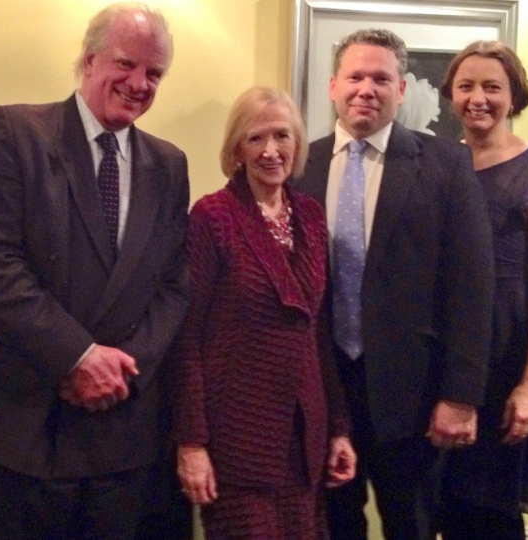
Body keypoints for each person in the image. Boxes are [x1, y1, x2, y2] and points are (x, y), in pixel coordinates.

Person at [0, 3, 190, 539]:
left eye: (154, 74)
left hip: (122, 436)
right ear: (88, 60)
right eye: (126, 64)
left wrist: (119, 373)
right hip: (27, 429)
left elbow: (174, 286)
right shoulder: (18, 132)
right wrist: (77, 357)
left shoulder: (169, 164)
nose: (138, 83)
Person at [294, 28, 495, 540]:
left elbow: (473, 287)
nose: (367, 88)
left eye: (381, 78)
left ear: (401, 89)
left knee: (413, 525)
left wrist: (461, 396)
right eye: (355, 76)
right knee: (333, 525)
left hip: (414, 396)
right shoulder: (299, 166)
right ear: (334, 85)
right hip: (324, 389)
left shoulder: (446, 165)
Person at [173, 86, 356, 540]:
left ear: (297, 144)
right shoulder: (212, 216)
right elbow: (187, 338)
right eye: (256, 139)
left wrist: (338, 429)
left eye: (282, 136)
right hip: (238, 435)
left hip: (304, 435)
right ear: (237, 148)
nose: (271, 151)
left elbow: (317, 333)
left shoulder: (310, 215)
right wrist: (191, 443)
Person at [436, 40, 528, 540]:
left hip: (508, 361)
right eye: (466, 86)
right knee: (440, 507)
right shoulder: (438, 163)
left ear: (514, 95)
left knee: (491, 514)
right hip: (444, 361)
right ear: (451, 95)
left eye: (492, 87)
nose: (478, 97)